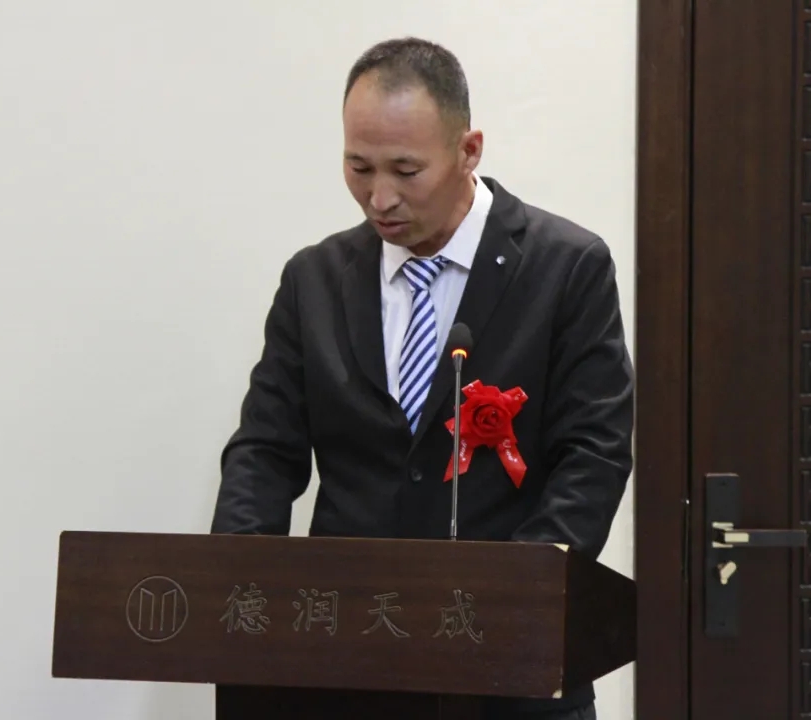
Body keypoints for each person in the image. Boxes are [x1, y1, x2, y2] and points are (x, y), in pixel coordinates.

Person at [210, 36, 632, 720]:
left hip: (505, 665)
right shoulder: (314, 279)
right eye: (358, 167)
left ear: (469, 150)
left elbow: (594, 452)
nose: (379, 198)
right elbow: (265, 448)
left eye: (406, 170)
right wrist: (238, 574)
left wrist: (516, 597)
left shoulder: (566, 268)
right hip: (344, 657)